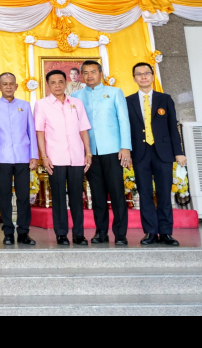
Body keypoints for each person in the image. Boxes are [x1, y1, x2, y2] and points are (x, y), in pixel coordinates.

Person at [126, 62, 186, 246]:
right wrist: (126, 151)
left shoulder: (165, 99)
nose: (143, 76)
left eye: (146, 73)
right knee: (144, 193)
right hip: (140, 153)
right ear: (134, 78)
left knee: (164, 193)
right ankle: (151, 232)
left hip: (164, 153)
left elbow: (172, 128)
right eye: (139, 74)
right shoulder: (128, 101)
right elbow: (125, 128)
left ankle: (166, 232)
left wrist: (179, 152)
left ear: (152, 76)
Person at [75, 60, 132, 246]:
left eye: (93, 72)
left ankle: (121, 234)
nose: (89, 75)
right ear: (81, 76)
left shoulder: (115, 93)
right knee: (97, 194)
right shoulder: (76, 96)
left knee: (116, 193)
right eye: (86, 72)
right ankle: (101, 232)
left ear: (101, 74)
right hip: (90, 152)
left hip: (113, 150)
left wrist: (125, 147)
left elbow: (124, 121)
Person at [35, 70, 93, 246]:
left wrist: (88, 152)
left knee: (77, 197)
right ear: (48, 85)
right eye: (53, 82)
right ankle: (61, 234)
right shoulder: (42, 104)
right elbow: (40, 132)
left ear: (66, 82)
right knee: (59, 198)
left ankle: (79, 234)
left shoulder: (76, 103)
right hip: (55, 158)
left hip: (76, 157)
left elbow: (83, 129)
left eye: (61, 82)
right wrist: (44, 156)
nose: (57, 85)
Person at [0, 73, 38, 246]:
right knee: (5, 196)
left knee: (24, 196)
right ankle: (8, 232)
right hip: (2, 158)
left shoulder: (24, 105)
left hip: (23, 157)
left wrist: (34, 155)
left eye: (11, 84)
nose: (8, 87)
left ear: (16, 86)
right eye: (4, 84)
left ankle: (23, 233)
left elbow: (31, 131)